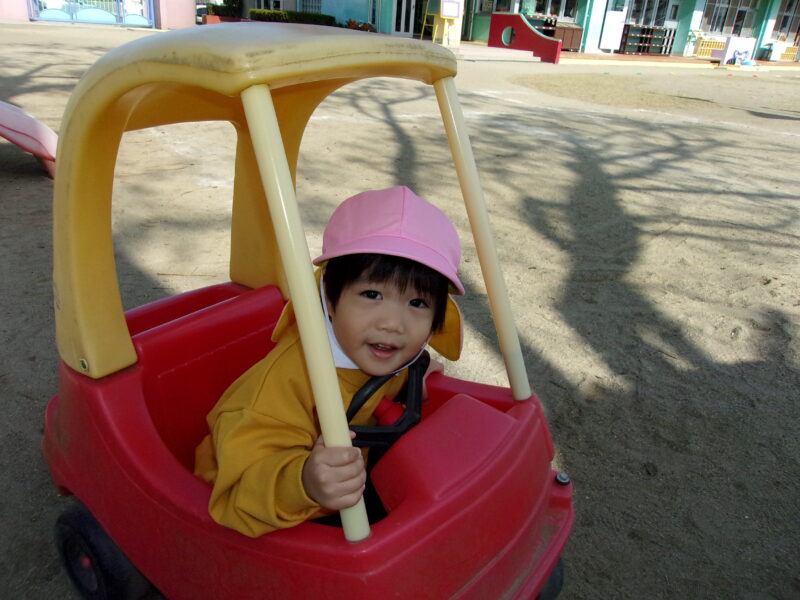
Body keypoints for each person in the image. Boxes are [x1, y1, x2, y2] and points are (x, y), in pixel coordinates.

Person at [194, 186, 464, 537]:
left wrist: (416, 376)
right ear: (329, 300)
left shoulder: (384, 352)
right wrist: (305, 483)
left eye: (417, 303)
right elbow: (235, 497)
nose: (393, 324)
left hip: (351, 480)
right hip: (270, 506)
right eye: (372, 294)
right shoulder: (280, 390)